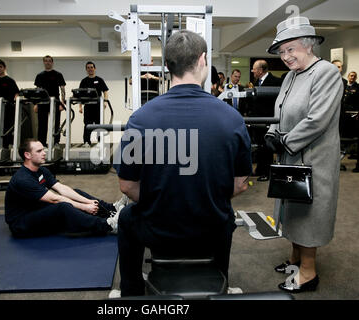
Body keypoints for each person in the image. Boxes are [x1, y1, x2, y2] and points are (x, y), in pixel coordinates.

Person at [114, 30, 252, 297]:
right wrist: (204, 197)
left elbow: (127, 186)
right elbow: (240, 184)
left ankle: (130, 291)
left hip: (158, 229)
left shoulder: (140, 119)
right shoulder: (232, 118)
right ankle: (220, 284)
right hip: (210, 228)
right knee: (226, 217)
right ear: (203, 60)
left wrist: (162, 201)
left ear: (167, 66)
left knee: (127, 218)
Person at [265, 16, 343, 293]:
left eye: (291, 49)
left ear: (309, 46)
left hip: (314, 158)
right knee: (292, 208)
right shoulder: (290, 76)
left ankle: (308, 272)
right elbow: (280, 110)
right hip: (291, 155)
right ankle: (295, 258)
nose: (286, 56)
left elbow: (317, 120)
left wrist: (285, 141)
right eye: (282, 51)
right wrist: (273, 133)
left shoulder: (326, 73)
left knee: (310, 212)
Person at [4, 138, 127, 238]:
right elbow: (54, 199)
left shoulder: (41, 170)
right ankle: (107, 225)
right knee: (62, 207)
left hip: (36, 210)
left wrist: (88, 201)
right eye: (39, 151)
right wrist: (84, 207)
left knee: (75, 192)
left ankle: (112, 209)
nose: (44, 153)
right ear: (27, 155)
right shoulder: (23, 179)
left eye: (43, 149)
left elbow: (62, 189)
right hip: (21, 224)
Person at [249, 60, 282, 181]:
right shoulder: (257, 82)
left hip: (268, 120)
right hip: (258, 121)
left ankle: (267, 173)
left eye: (254, 69)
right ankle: (259, 169)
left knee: (267, 147)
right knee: (260, 147)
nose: (252, 71)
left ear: (260, 70)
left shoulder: (276, 82)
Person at [34, 55, 66, 147]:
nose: (47, 62)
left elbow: (62, 89)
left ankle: (56, 142)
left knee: (56, 124)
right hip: (42, 102)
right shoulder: (39, 75)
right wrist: (36, 104)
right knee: (42, 124)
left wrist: (62, 102)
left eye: (49, 61)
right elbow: (37, 90)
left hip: (55, 102)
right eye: (46, 61)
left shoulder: (58, 74)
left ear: (52, 62)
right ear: (44, 62)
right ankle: (42, 143)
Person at [79, 61, 109, 147]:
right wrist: (80, 107)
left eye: (91, 67)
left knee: (99, 124)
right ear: (86, 69)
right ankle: (87, 142)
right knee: (87, 125)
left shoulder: (99, 80)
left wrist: (105, 101)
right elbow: (80, 94)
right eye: (88, 67)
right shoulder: (84, 81)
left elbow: (105, 91)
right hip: (88, 106)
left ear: (94, 68)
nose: (90, 69)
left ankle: (100, 142)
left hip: (98, 106)